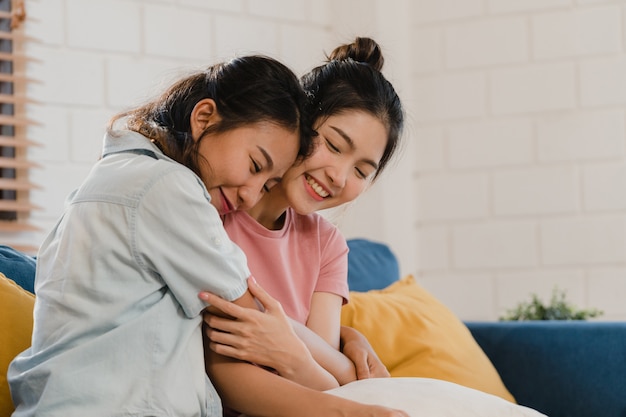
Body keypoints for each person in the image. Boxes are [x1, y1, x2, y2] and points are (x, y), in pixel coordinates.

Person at [7, 55, 312, 417]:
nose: (250, 194)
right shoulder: (167, 187)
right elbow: (251, 315)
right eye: (255, 166)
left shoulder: (121, 174)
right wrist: (339, 376)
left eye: (267, 185)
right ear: (204, 118)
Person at [200, 37, 409, 414]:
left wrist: (305, 349)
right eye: (333, 144)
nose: (340, 176)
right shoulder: (216, 209)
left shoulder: (328, 245)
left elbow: (327, 362)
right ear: (299, 121)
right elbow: (229, 372)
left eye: (362, 171)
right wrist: (320, 359)